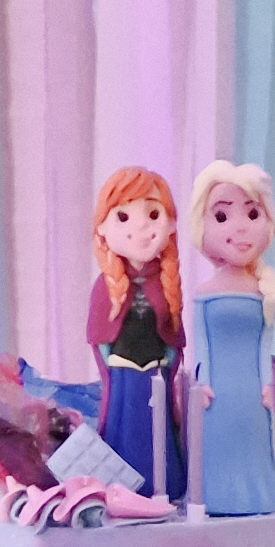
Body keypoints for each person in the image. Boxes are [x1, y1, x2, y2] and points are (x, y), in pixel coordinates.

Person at [184, 161, 275, 518]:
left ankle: (257, 495)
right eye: (222, 216)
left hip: (252, 391)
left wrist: (268, 385)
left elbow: (264, 345)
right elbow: (200, 345)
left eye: (252, 213)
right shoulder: (204, 293)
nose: (240, 227)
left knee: (252, 443)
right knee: (218, 444)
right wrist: (202, 383)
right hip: (217, 392)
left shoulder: (264, 293)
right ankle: (217, 496)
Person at [83, 164, 185, 501]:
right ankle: (121, 490)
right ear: (102, 227)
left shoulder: (167, 284)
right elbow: (98, 336)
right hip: (123, 377)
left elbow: (174, 334)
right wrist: (111, 365)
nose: (140, 226)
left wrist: (167, 361)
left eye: (153, 214)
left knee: (158, 433)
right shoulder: (105, 286)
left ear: (171, 223)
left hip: (156, 374)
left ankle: (164, 487)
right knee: (125, 429)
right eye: (123, 217)